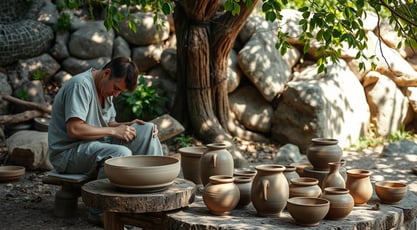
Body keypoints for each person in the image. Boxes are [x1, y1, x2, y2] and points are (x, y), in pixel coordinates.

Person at [48, 56, 163, 179]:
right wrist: (114, 131)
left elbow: (109, 123)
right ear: (107, 73)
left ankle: (154, 182)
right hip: (68, 153)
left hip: (98, 144)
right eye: (116, 88)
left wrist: (129, 124)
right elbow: (74, 129)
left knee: (147, 130)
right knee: (120, 154)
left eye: (120, 91)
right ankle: (105, 195)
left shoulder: (106, 88)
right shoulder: (80, 85)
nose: (116, 94)